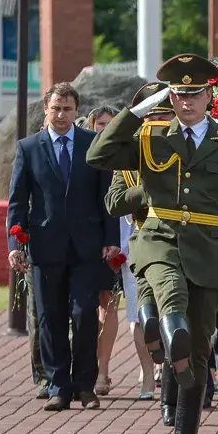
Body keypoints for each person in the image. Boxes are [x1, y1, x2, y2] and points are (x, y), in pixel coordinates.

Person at [86, 54, 218, 434]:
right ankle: (166, 329)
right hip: (158, 241)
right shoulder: (150, 135)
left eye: (194, 93)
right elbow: (98, 156)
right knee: (170, 289)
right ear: (170, 97)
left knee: (196, 357)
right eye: (178, 94)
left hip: (209, 252)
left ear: (209, 95)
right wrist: (134, 111)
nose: (186, 102)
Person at [8, 82, 120, 412]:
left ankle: (85, 386)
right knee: (50, 318)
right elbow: (17, 202)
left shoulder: (92, 144)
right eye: (55, 108)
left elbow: (107, 197)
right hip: (46, 247)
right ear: (46, 109)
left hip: (87, 248)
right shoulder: (28, 148)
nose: (60, 114)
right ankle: (59, 386)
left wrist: (111, 239)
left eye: (67, 109)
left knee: (84, 314)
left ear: (76, 112)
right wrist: (15, 242)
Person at [102, 88, 171, 402]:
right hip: (138, 246)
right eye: (152, 116)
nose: (157, 122)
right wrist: (147, 190)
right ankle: (148, 370)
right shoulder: (131, 157)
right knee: (141, 315)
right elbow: (114, 201)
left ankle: (179, 376)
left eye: (164, 115)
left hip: (180, 246)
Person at [84, 104, 122, 396]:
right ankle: (88, 366)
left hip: (120, 235)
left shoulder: (127, 153)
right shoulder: (85, 157)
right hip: (90, 239)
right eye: (100, 124)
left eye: (111, 124)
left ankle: (103, 370)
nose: (105, 129)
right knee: (88, 305)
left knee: (109, 304)